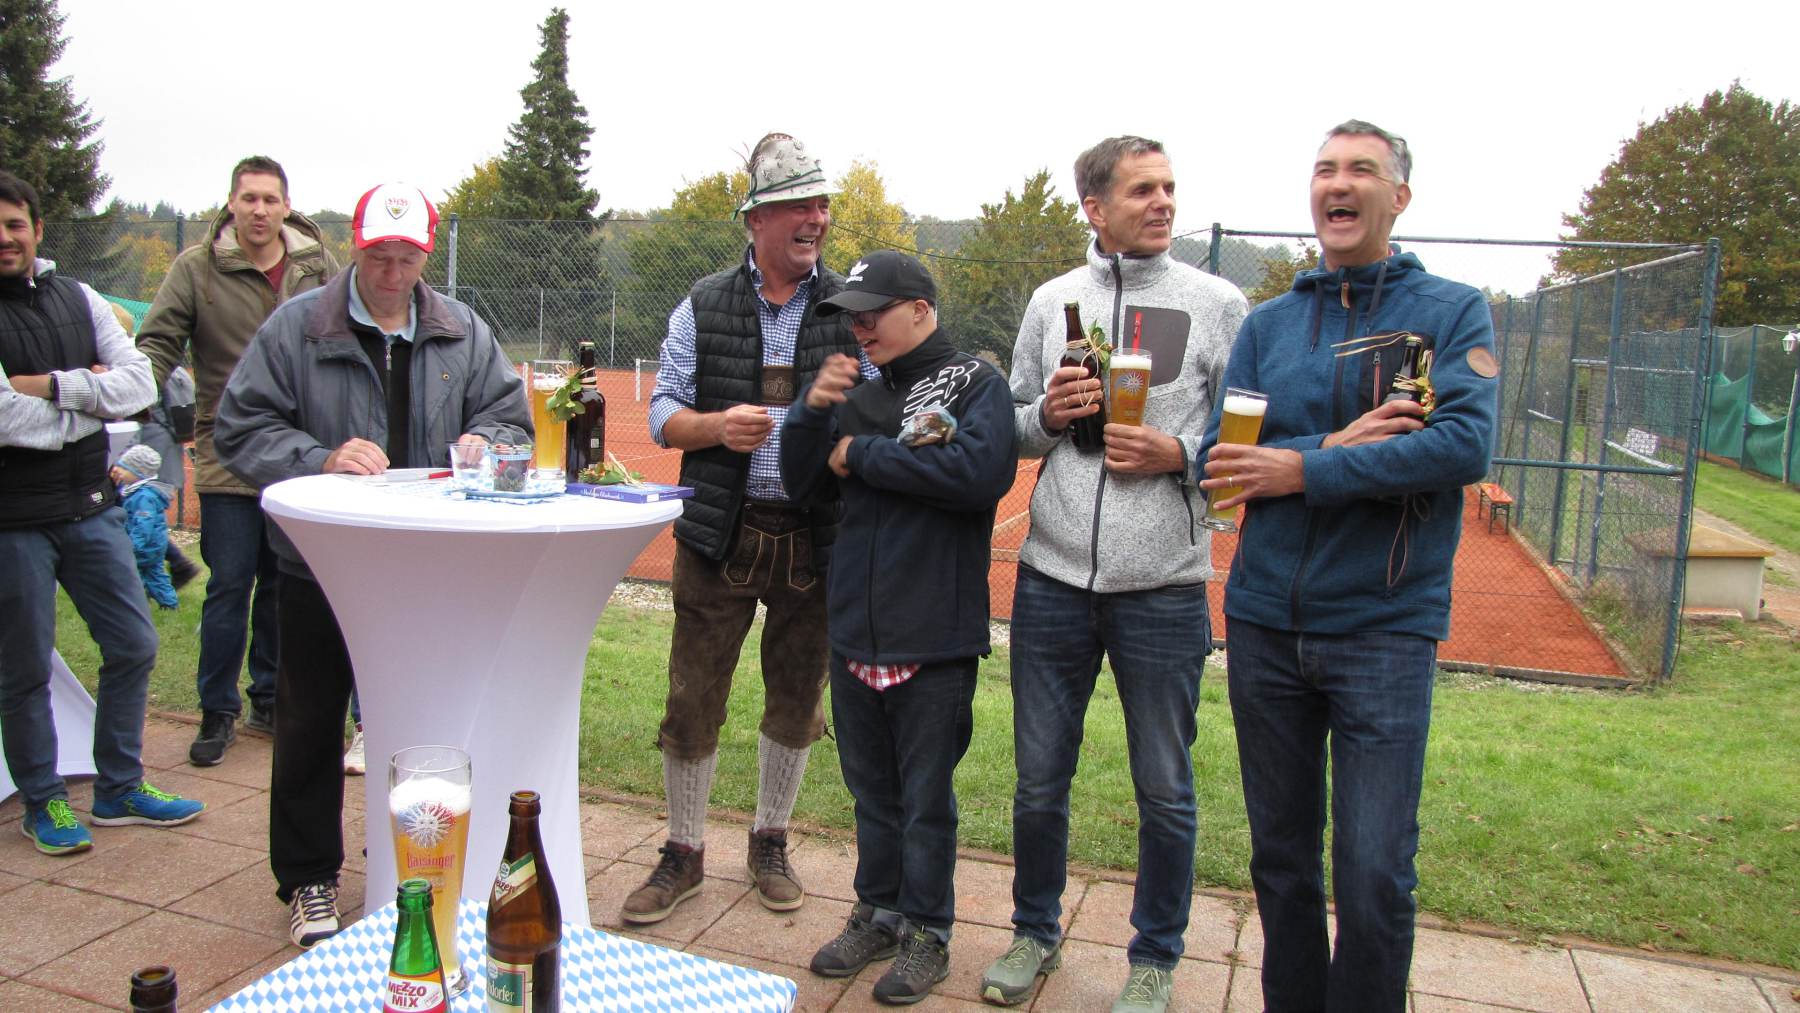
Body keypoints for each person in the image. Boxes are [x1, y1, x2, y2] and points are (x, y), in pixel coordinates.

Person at [1198, 121, 1498, 1012]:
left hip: (1383, 629)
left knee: (1374, 873)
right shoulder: (1270, 326)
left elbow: (1460, 445)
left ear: (1398, 196)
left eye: (1362, 169)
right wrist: (1328, 449)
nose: (1339, 182)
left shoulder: (1450, 312)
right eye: (1325, 168)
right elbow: (1222, 460)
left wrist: (1298, 470)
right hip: (1265, 624)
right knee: (1281, 862)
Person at [214, 181, 529, 948]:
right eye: (379, 256)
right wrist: (319, 457)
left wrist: (485, 440)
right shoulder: (296, 328)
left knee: (428, 716)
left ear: (427, 252)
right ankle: (309, 878)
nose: (392, 273)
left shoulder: (462, 330)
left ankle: (421, 865)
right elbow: (239, 426)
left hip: (427, 566)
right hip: (319, 562)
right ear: (354, 248)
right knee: (309, 718)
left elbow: (508, 415)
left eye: (407, 257)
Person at [981, 136, 1248, 1013]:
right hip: (1053, 578)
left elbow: (1251, 432)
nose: (1163, 202)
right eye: (1142, 190)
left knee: (1164, 788)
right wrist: (1049, 415)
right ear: (1095, 207)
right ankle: (1034, 931)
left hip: (1165, 585)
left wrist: (1181, 453)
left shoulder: (1218, 303)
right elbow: (1014, 424)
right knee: (1038, 779)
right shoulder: (1052, 300)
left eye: (1169, 187)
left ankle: (1156, 956)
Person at [626, 132, 874, 926]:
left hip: (816, 534)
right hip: (719, 531)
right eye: (799, 204)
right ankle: (684, 850)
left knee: (798, 699)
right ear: (756, 218)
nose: (817, 218)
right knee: (691, 699)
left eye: (822, 204)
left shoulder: (852, 310)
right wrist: (713, 427)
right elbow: (662, 412)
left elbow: (881, 409)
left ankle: (771, 839)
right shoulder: (702, 304)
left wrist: (842, 434)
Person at [781, 251, 1018, 1005]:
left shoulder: (976, 383)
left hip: (935, 633)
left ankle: (928, 931)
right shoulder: (856, 389)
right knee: (871, 792)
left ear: (920, 309)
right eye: (851, 316)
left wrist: (864, 454)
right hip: (856, 627)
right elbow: (802, 481)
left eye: (872, 313)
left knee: (925, 800)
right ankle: (877, 913)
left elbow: (979, 475)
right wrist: (811, 412)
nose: (859, 328)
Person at [0, 170, 206, 857]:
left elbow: (138, 383)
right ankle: (43, 799)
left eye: (15, 224)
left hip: (90, 507)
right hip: (13, 520)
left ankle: (119, 787)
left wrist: (52, 388)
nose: (5, 238)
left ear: (36, 229)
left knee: (134, 643)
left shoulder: (80, 297)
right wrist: (89, 398)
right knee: (25, 668)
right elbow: (3, 417)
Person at [137, 155, 341, 767]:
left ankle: (269, 700)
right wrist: (130, 398)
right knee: (230, 584)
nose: (259, 210)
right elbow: (158, 343)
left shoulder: (317, 267)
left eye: (269, 199)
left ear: (286, 206)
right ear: (231, 203)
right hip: (228, 453)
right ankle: (216, 710)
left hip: (299, 457)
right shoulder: (196, 268)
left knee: (285, 584)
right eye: (248, 198)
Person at [108, 303, 199, 588]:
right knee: (143, 513)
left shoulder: (132, 360)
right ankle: (177, 564)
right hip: (163, 445)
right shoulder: (152, 357)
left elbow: (131, 412)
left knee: (138, 512)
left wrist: (122, 460)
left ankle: (154, 574)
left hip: (144, 450)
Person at [112, 443, 179, 610]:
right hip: (154, 544)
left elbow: (144, 524)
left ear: (138, 473)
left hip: (144, 546)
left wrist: (133, 544)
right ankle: (169, 603)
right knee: (155, 574)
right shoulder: (137, 491)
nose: (119, 471)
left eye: (124, 468)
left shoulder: (144, 496)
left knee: (134, 574)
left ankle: (138, 602)